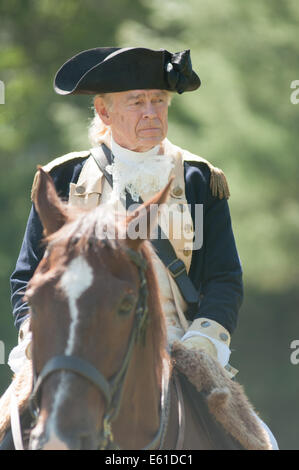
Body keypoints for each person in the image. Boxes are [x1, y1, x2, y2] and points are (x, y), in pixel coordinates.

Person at [8, 46, 278, 449]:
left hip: (182, 343)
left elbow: (223, 278)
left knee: (260, 442)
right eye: (137, 102)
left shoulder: (200, 180)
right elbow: (27, 278)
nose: (151, 112)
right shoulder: (62, 178)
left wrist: (201, 342)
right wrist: (37, 332)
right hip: (72, 342)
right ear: (104, 113)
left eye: (158, 101)